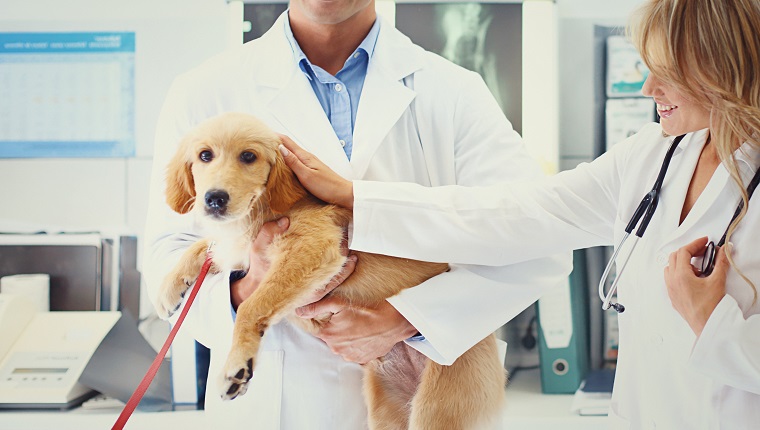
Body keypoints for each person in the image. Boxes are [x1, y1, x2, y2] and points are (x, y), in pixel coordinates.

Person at [279, 0, 760, 428]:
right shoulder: (653, 155)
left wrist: (711, 324)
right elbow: (517, 213)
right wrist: (358, 199)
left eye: (668, 72)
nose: (647, 87)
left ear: (723, 68)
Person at [142, 0, 570, 428]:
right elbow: (167, 268)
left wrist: (412, 319)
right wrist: (253, 287)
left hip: (432, 386)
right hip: (280, 406)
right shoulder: (203, 90)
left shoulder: (455, 91)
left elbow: (540, 240)